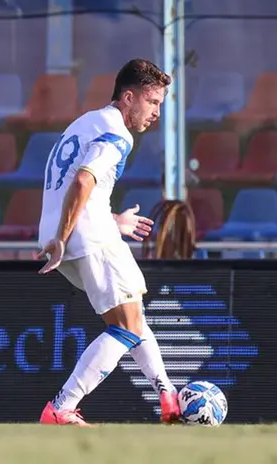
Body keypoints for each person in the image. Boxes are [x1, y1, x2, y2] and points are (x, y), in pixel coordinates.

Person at [36, 58, 180, 426]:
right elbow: (83, 181)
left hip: (71, 231)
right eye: (153, 103)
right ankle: (62, 407)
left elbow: (75, 184)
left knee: (130, 316)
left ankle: (168, 396)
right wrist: (64, 238)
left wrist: (112, 220)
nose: (156, 114)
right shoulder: (117, 134)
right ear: (129, 97)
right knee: (127, 325)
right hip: (80, 235)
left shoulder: (86, 122)